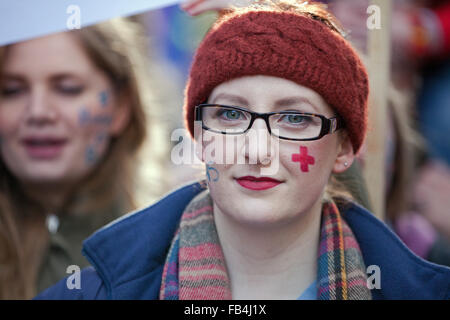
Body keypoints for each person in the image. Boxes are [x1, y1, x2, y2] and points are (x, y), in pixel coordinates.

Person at [36, 0, 450, 300]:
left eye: (295, 120)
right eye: (231, 115)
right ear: (199, 134)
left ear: (344, 149)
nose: (256, 150)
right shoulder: (94, 293)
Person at [0, 17, 167, 299]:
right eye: (12, 90)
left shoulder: (171, 247)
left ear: (121, 106)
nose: (38, 112)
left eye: (68, 88)